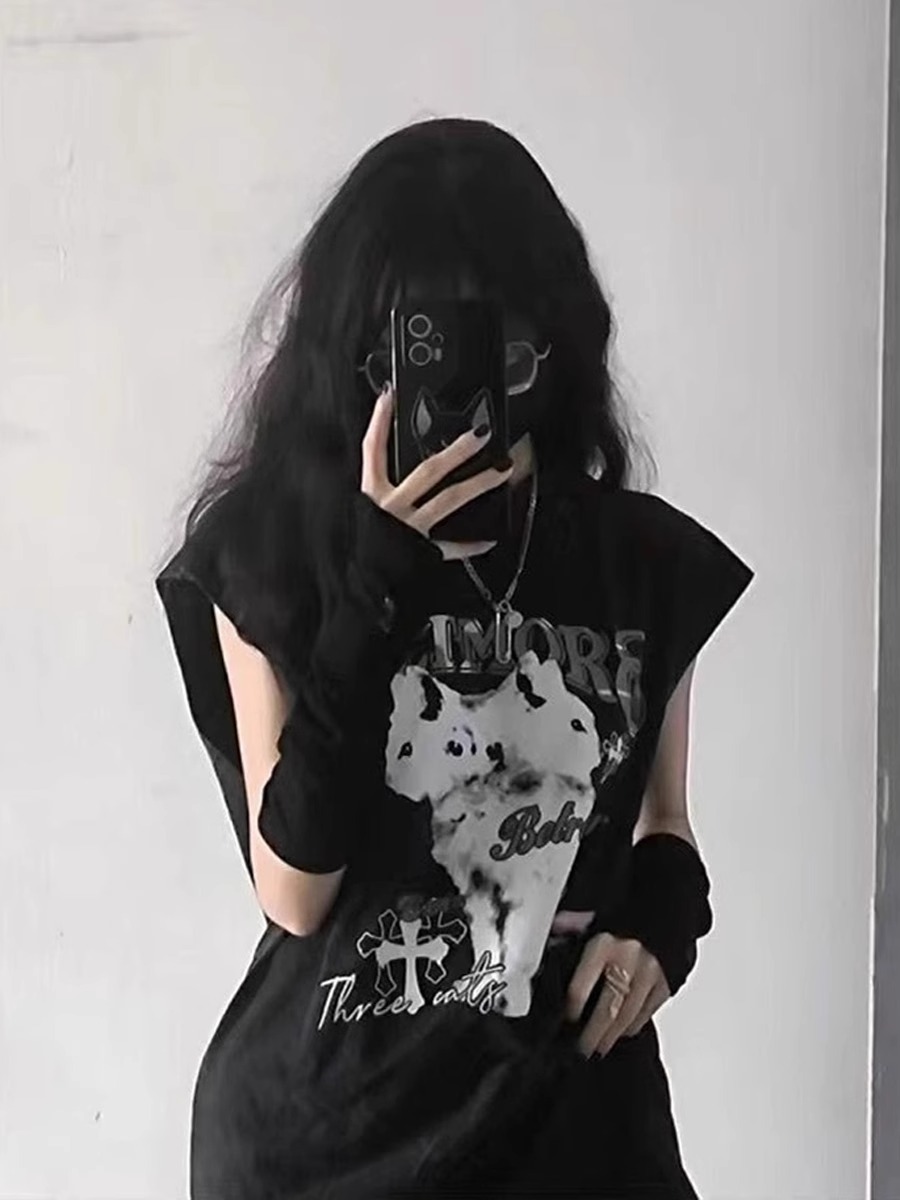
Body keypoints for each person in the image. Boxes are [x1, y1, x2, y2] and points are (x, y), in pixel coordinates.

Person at [154, 116, 755, 1198]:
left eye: (500, 351)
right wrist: (375, 584)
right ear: (361, 353)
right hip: (329, 1143)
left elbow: (664, 823)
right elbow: (293, 890)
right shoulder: (272, 557)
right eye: (420, 349)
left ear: (551, 345)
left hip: (572, 1135)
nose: (464, 394)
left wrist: (663, 929)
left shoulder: (642, 562)